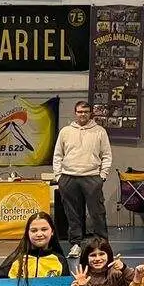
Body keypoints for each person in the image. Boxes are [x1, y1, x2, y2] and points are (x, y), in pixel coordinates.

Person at [53, 101, 113, 257]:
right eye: (80, 112)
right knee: (73, 215)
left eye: (86, 111)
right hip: (68, 178)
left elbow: (106, 155)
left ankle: (102, 245)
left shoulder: (100, 131)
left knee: (97, 213)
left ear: (90, 113)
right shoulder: (65, 131)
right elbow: (58, 155)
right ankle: (76, 245)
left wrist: (102, 176)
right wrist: (59, 176)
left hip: (92, 177)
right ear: (75, 113)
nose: (83, 114)